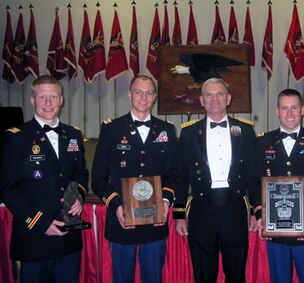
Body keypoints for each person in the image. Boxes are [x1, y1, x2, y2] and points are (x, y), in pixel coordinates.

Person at [0, 75, 89, 282]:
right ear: (33, 100)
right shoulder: (16, 137)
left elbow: (81, 174)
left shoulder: (73, 134)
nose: (48, 103)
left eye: (53, 97)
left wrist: (79, 197)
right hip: (34, 239)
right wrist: (40, 222)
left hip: (69, 239)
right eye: (42, 98)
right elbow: (7, 188)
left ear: (61, 100)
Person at [91, 75, 178, 283]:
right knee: (122, 278)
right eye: (138, 92)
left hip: (155, 222)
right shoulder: (111, 129)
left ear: (155, 97)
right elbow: (98, 178)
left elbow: (174, 174)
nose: (143, 97)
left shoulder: (167, 130)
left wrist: (165, 201)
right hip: (122, 221)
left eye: (149, 93)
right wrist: (117, 206)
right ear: (130, 95)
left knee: (153, 278)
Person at [173, 78, 260, 283]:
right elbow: (182, 174)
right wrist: (179, 214)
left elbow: (253, 174)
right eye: (209, 95)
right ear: (202, 100)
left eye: (220, 94)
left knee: (236, 272)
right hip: (201, 210)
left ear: (228, 98)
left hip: (235, 209)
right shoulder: (188, 132)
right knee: (203, 273)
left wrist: (257, 210)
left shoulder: (245, 131)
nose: (215, 99)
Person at [256, 89, 304, 283]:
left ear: (303, 110)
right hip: (275, 231)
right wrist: (259, 214)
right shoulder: (261, 142)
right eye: (284, 108)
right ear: (276, 111)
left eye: (294, 108)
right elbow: (254, 182)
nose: (289, 113)